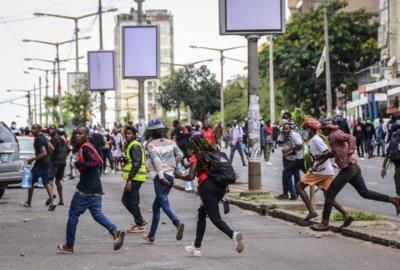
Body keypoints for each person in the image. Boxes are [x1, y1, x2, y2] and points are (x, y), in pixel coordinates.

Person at [310, 121, 400, 231]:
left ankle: (325, 222)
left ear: (328, 129)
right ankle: (393, 200)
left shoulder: (336, 134)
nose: (322, 132)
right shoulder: (332, 137)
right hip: (354, 168)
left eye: (323, 129)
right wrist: (324, 155)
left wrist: (351, 150)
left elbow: (351, 138)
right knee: (364, 193)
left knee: (329, 194)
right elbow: (336, 151)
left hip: (348, 169)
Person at [57, 127, 125, 254]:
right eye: (75, 133)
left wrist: (80, 165)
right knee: (97, 214)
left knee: (73, 215)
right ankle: (115, 231)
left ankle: (69, 245)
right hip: (95, 188)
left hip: (85, 189)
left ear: (87, 135)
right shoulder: (87, 146)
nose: (77, 135)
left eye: (80, 133)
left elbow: (95, 163)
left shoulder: (86, 148)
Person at [174, 133, 244, 256]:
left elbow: (191, 176)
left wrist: (178, 175)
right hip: (220, 187)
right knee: (202, 214)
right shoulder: (214, 149)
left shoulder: (197, 155)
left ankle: (233, 234)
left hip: (207, 188)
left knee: (215, 218)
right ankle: (196, 247)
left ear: (194, 144)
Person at [296, 118, 352, 226]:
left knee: (299, 186)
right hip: (326, 171)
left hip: (320, 171)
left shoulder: (316, 139)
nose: (303, 130)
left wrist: (316, 165)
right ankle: (347, 214)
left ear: (310, 129)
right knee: (328, 196)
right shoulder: (312, 140)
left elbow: (326, 153)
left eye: (304, 128)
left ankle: (312, 212)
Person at [142, 119, 185, 243]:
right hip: (170, 176)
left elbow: (156, 161)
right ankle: (151, 235)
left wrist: (161, 176)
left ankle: (177, 223)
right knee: (156, 206)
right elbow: (180, 155)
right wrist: (172, 165)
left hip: (161, 178)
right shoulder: (171, 142)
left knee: (164, 202)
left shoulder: (151, 145)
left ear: (151, 133)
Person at [22, 124, 57, 211]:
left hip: (40, 164)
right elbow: (52, 148)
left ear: (39, 129)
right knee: (46, 182)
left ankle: (29, 202)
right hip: (46, 163)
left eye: (34, 129)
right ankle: (52, 202)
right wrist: (48, 158)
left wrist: (32, 159)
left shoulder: (38, 139)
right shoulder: (44, 137)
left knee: (31, 181)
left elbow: (44, 152)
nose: (32, 130)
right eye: (32, 128)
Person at [121, 125, 149, 233]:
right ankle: (140, 221)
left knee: (130, 200)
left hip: (135, 178)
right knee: (129, 200)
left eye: (129, 134)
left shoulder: (135, 146)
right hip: (135, 177)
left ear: (134, 134)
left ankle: (139, 222)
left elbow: (136, 164)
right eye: (126, 134)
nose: (127, 136)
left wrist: (129, 180)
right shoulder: (131, 145)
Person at [277, 122, 304, 200]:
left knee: (292, 175)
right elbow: (279, 142)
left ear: (290, 129)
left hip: (295, 158)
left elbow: (300, 145)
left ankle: (294, 193)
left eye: (287, 129)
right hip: (287, 158)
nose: (285, 130)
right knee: (286, 175)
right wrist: (282, 135)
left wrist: (288, 150)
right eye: (284, 128)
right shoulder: (283, 134)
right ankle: (288, 193)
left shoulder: (294, 135)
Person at [48, 125, 67, 206]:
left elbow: (52, 149)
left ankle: (52, 199)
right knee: (58, 181)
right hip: (62, 161)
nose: (50, 131)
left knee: (50, 180)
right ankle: (61, 200)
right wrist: (63, 156)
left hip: (55, 161)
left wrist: (48, 142)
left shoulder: (54, 139)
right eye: (49, 129)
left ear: (55, 130)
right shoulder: (61, 138)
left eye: (52, 129)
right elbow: (68, 148)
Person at [381, 127, 400, 196]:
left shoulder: (393, 139)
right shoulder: (395, 139)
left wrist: (383, 168)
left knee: (398, 189)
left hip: (398, 167)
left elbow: (388, 155)